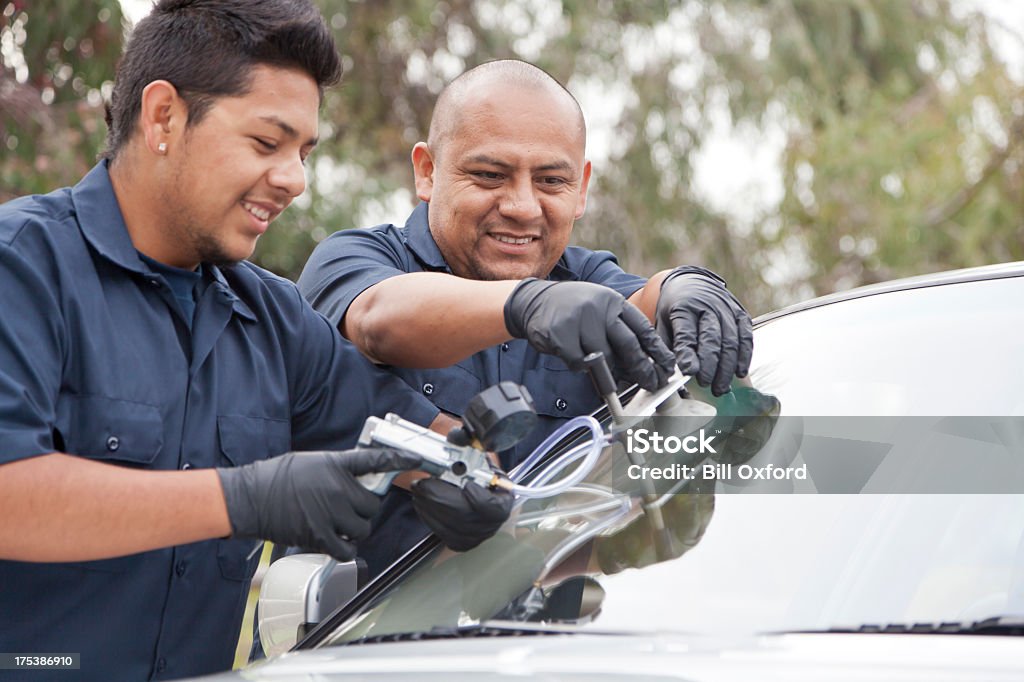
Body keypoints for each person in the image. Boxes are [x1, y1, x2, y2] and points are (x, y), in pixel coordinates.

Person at [0, 2, 505, 679]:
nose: (295, 180)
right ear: (163, 118)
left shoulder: (274, 318)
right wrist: (243, 498)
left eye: (303, 153)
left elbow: (405, 433)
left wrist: (464, 474)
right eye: (267, 144)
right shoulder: (21, 268)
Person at [297, 59, 754, 578]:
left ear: (581, 188)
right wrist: (525, 305)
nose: (521, 205)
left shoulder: (585, 280)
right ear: (427, 171)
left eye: (550, 180)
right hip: (354, 646)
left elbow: (643, 307)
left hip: (537, 645)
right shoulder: (354, 259)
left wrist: (686, 285)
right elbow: (379, 318)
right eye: (490, 175)